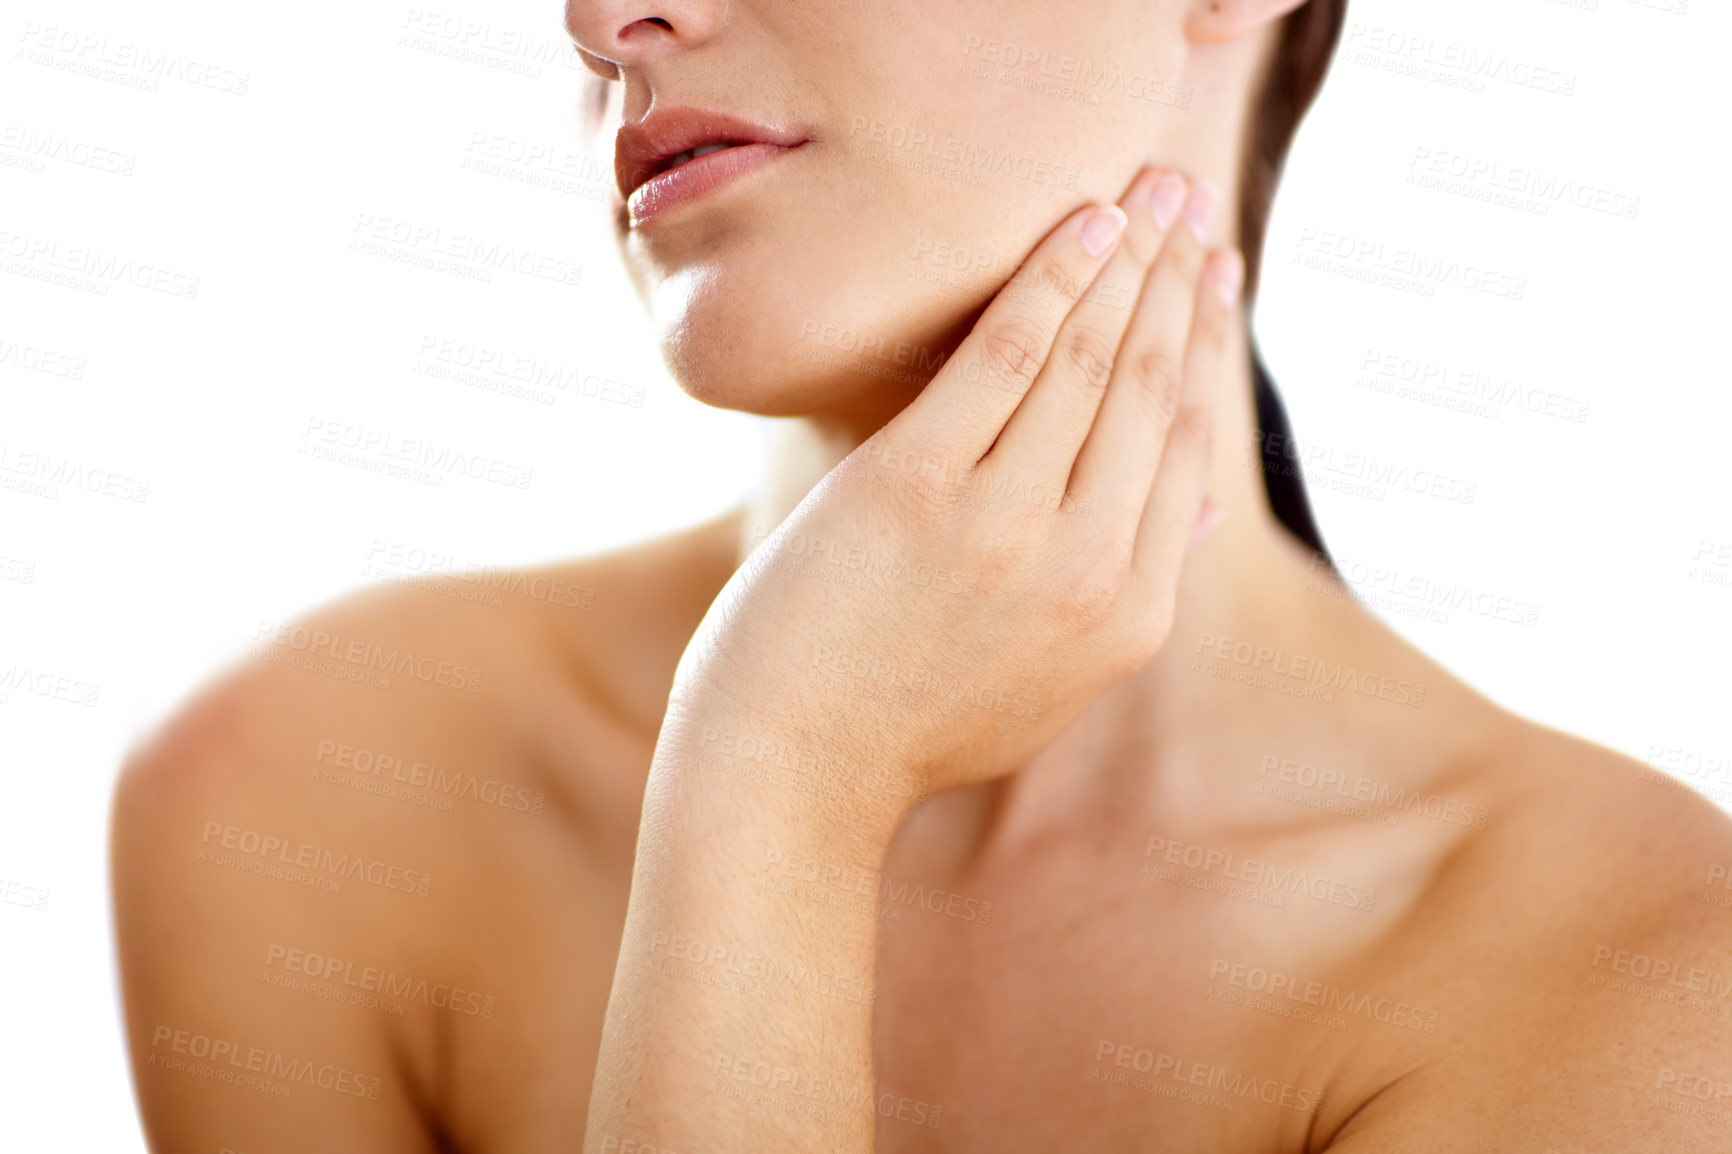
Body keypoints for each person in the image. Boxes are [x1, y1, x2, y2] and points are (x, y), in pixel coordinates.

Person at [111, 1, 1732, 1150]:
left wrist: (784, 769)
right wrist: (777, 777)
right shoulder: (313, 797)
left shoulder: (1645, 974)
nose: (605, 16)